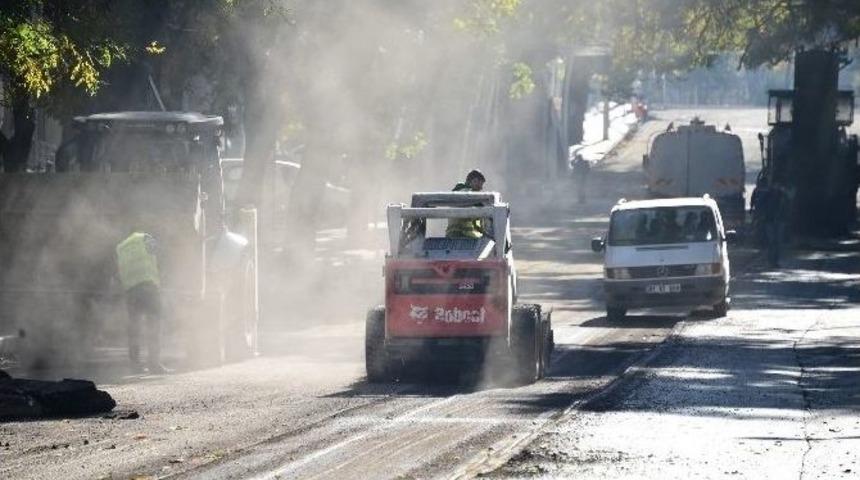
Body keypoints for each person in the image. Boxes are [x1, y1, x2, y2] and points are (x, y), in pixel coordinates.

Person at [116, 228, 167, 373]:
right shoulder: (145, 238)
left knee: (134, 328)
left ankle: (135, 364)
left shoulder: (121, 247)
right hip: (148, 287)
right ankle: (154, 364)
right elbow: (158, 255)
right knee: (154, 325)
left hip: (131, 290)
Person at [446, 169, 486, 239]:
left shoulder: (458, 192)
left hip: (452, 235)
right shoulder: (466, 192)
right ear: (474, 181)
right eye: (479, 184)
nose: (481, 188)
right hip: (464, 237)